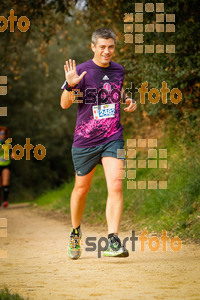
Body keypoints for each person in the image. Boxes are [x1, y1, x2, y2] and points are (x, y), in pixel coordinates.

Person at [60, 28, 137, 259]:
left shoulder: (118, 70)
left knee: (116, 185)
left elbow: (116, 89)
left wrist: (127, 99)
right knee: (81, 190)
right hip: (85, 141)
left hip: (112, 136)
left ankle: (112, 240)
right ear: (93, 47)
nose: (107, 51)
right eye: (102, 47)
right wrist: (71, 85)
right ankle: (75, 232)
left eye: (111, 47)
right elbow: (64, 104)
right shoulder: (81, 70)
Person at [0, 127, 12, 208]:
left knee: (5, 182)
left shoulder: (8, 143)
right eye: (0, 133)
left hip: (6, 164)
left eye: (3, 133)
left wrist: (13, 155)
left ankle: (5, 200)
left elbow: (12, 152)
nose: (2, 135)